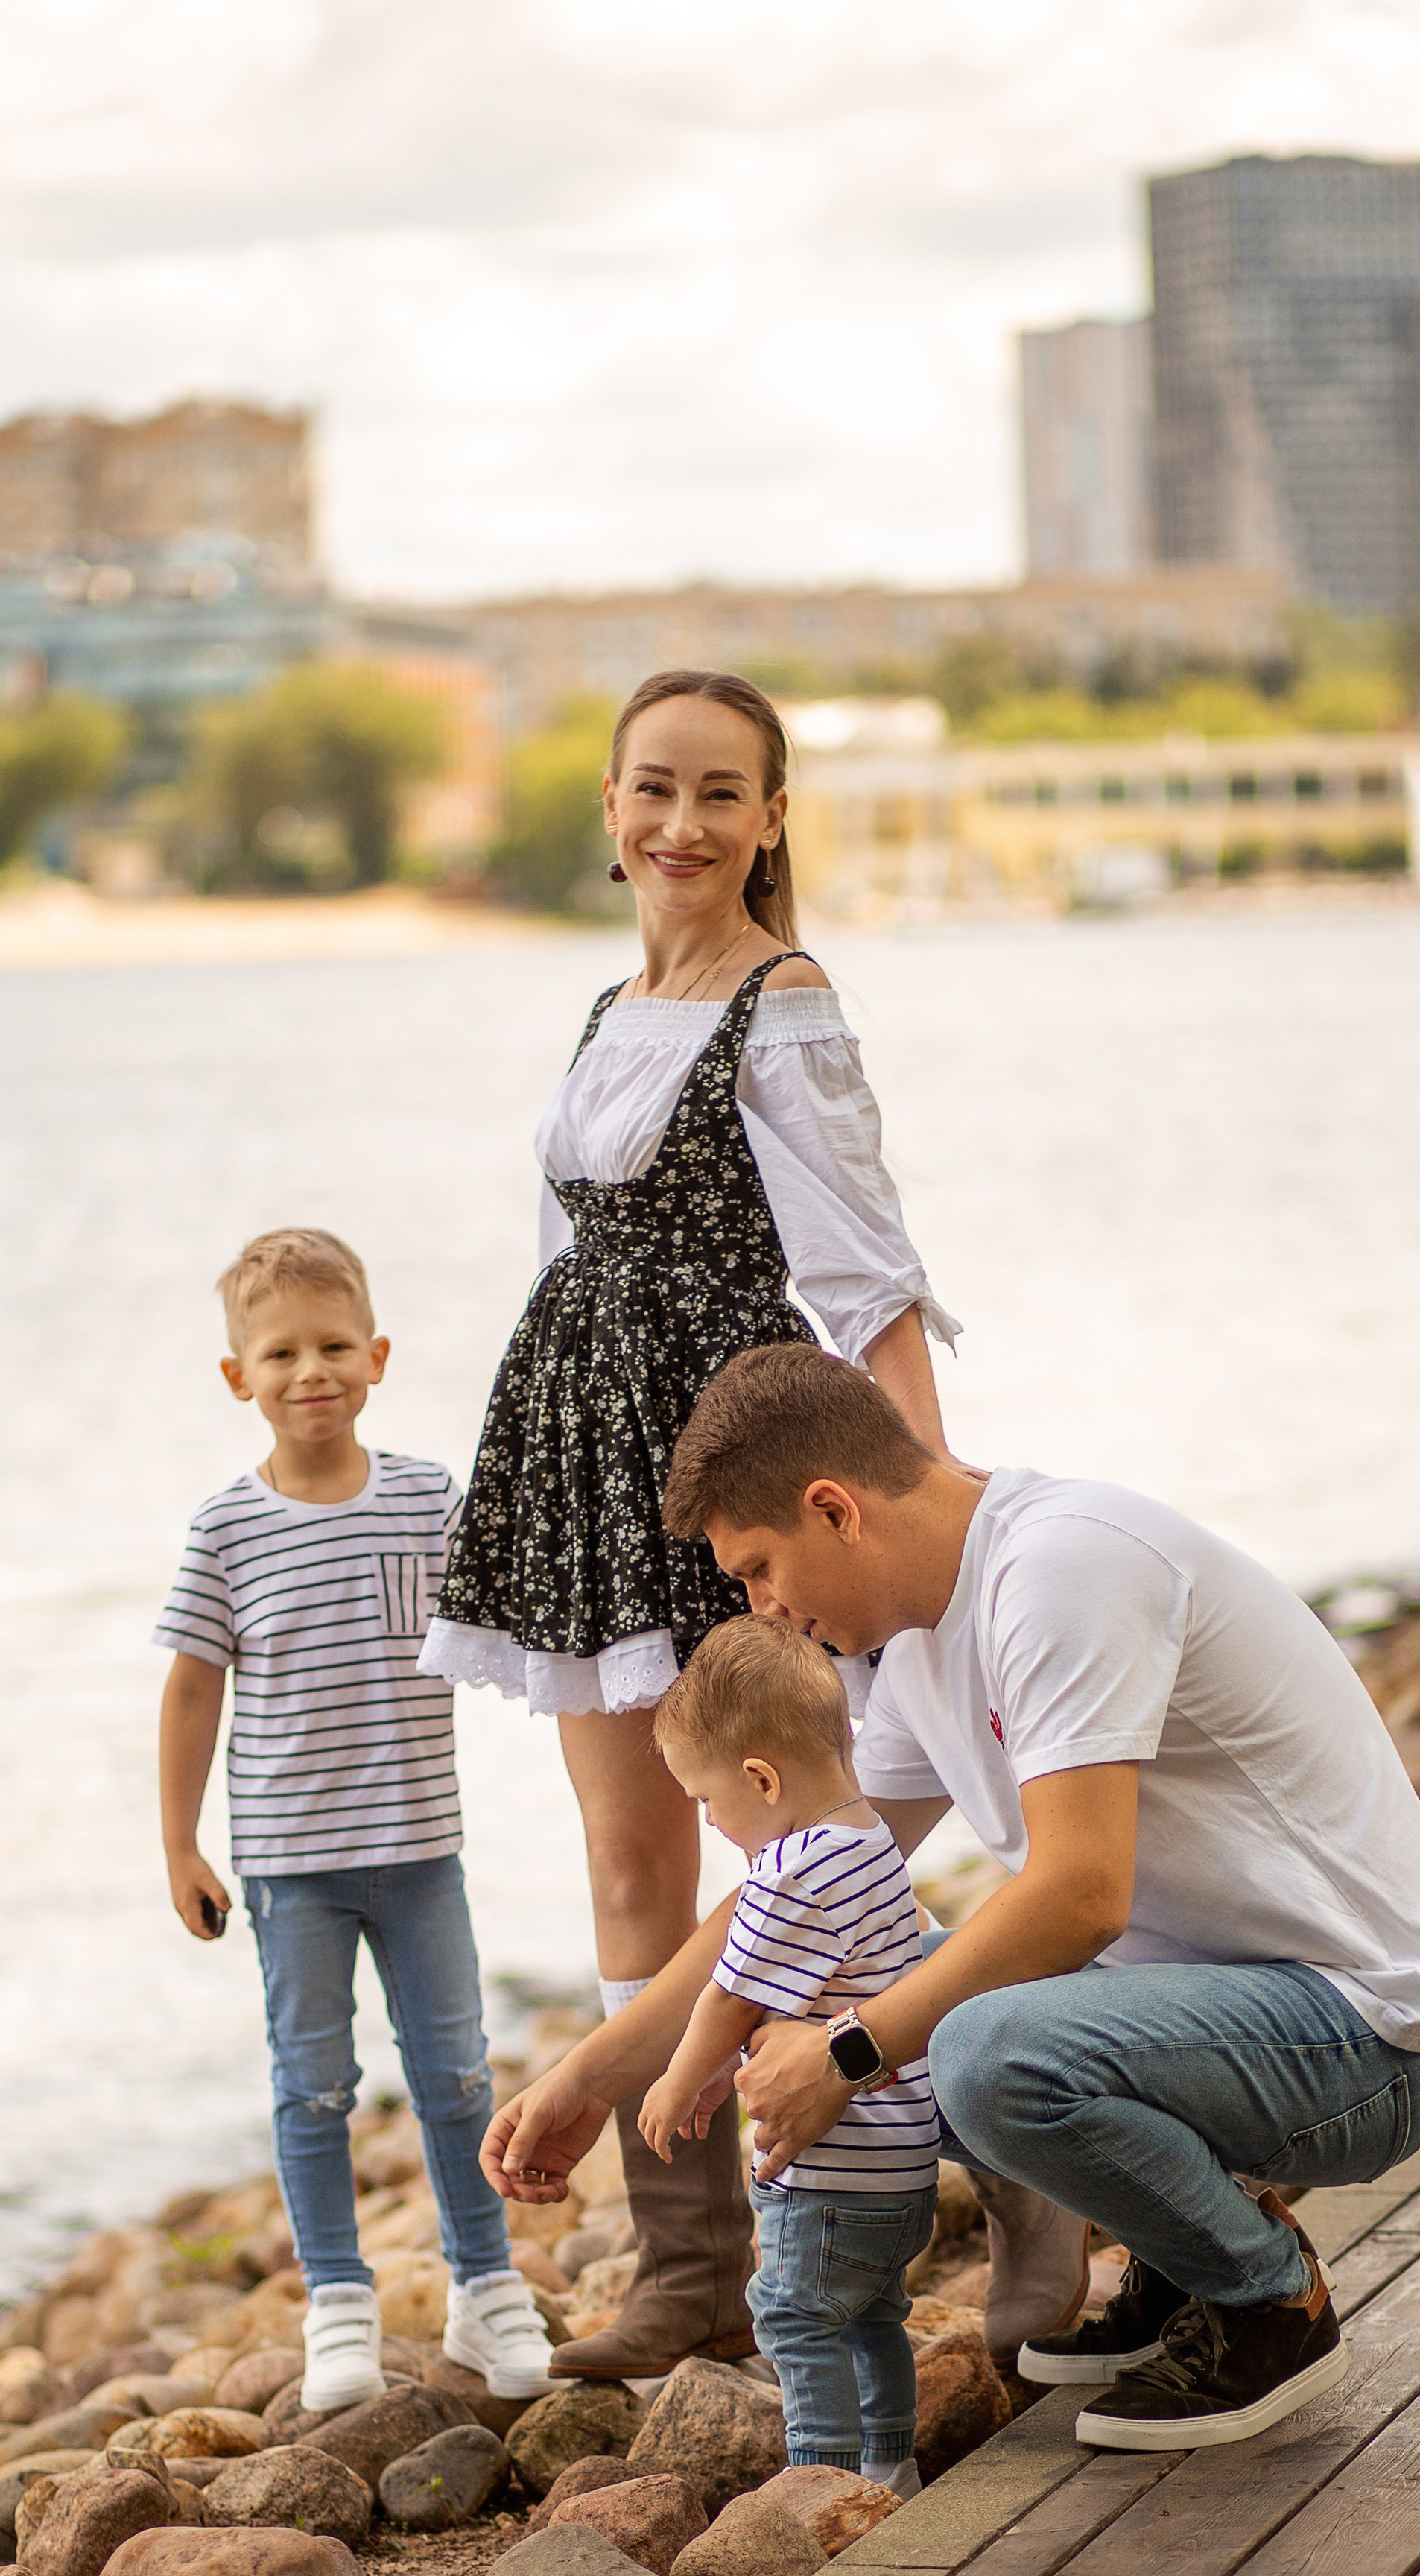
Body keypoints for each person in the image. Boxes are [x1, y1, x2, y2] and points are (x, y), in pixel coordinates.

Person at [483, 1343, 1420, 2450]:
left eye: (761, 1568)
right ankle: (1187, 2261)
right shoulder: (918, 1647)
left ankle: (1267, 2303)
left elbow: (1079, 1895)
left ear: (836, 1509)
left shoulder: (1062, 1571)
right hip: (1235, 2018)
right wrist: (592, 2073)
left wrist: (850, 2053)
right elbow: (779, 1906)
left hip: (1370, 2036)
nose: (764, 1610)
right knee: (886, 1981)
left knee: (971, 2047)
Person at [419, 666, 967, 2381]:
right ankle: (682, 2269)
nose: (681, 824)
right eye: (653, 789)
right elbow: (552, 1247)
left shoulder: (782, 1001)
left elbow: (867, 1272)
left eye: (720, 793)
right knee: (623, 1852)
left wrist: (922, 1503)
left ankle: (821, 2215)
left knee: (781, 1841)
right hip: (576, 1450)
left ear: (770, 817)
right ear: (606, 805)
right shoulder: (603, 1010)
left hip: (724, 1451)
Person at [155, 1227, 560, 2414]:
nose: (310, 1371)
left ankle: (487, 2294)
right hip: (290, 1869)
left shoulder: (429, 1499)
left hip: (422, 1851)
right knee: (313, 2084)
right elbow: (191, 1687)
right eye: (280, 1353)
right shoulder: (226, 1529)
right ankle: (338, 2302)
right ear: (240, 1378)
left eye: (335, 1345)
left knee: (456, 2076)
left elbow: (507, 1619)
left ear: (377, 1356)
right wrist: (179, 1845)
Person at [641, 1617, 939, 2496]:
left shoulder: (790, 1868)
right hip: (900, 2157)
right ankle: (891, 2465)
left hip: (830, 2172)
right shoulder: (871, 1843)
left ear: (760, 1778)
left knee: (793, 2318)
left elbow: (729, 1996)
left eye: (705, 1799)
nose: (707, 1818)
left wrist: (676, 2078)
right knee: (873, 2316)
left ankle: (819, 2487)